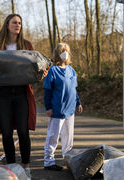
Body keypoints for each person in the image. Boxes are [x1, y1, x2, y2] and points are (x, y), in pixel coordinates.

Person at [0, 14, 36, 179]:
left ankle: (26, 167)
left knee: (23, 131)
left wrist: (42, 73)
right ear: (7, 25)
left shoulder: (26, 45)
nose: (18, 25)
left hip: (22, 93)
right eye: (14, 22)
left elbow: (35, 68)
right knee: (7, 132)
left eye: (20, 23)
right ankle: (11, 169)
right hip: (4, 94)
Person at [43, 43, 83, 171]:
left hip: (70, 110)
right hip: (57, 110)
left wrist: (78, 102)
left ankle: (68, 159)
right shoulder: (53, 70)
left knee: (68, 137)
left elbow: (73, 89)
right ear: (57, 53)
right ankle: (49, 161)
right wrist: (48, 107)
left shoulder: (71, 70)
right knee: (53, 136)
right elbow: (47, 90)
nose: (65, 53)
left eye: (67, 50)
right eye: (62, 50)